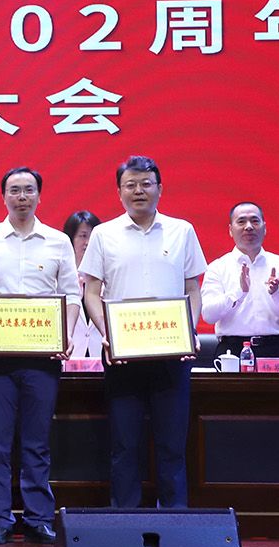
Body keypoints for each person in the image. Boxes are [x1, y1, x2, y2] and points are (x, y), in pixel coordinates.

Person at [79, 156, 205, 508]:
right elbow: (91, 292)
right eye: (131, 185)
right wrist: (107, 333)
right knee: (124, 443)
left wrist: (190, 330)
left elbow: (193, 289)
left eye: (146, 184)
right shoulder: (104, 234)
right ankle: (125, 517)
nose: (139, 191)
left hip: (171, 353)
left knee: (171, 444)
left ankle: (175, 517)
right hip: (122, 355)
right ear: (119, 192)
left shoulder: (182, 231)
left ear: (159, 189)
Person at [0, 167, 80, 545]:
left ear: (39, 196)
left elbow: (71, 294)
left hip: (42, 356)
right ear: (3, 196)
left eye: (28, 190)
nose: (21, 197)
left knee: (37, 441)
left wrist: (64, 334)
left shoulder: (58, 242)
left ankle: (38, 517)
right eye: (14, 190)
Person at [200, 202, 279, 359]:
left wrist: (277, 293)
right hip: (231, 351)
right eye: (241, 221)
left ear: (265, 228)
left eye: (255, 221)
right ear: (230, 230)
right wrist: (238, 292)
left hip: (274, 349)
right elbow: (208, 315)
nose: (249, 227)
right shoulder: (217, 267)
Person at [63, 211, 104, 358]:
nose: (88, 242)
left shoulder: (107, 280)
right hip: (70, 356)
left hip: (101, 355)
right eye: (83, 236)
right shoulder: (61, 281)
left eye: (92, 237)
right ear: (71, 239)